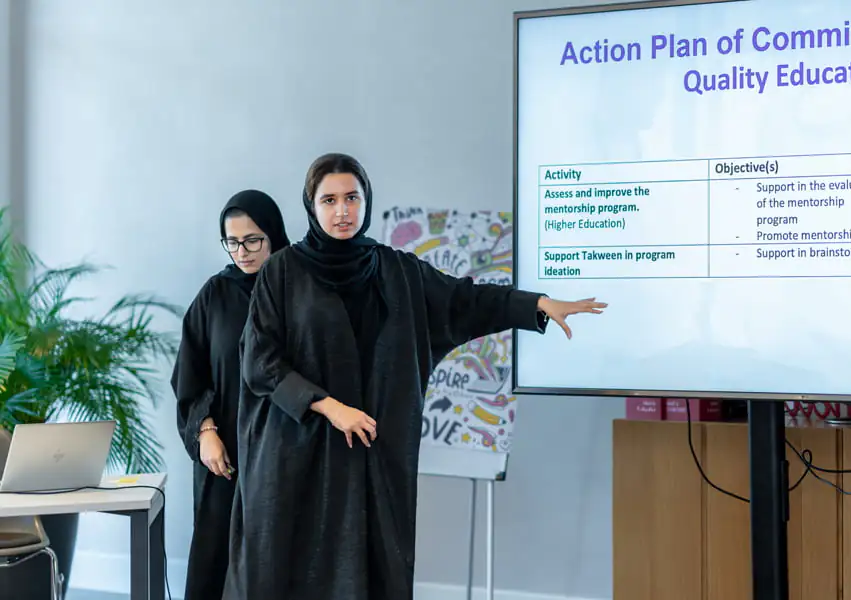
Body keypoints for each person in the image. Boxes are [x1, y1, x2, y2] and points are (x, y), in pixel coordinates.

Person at [222, 153, 605, 600]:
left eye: (352, 197)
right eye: (329, 200)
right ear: (311, 205)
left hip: (371, 453)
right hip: (296, 453)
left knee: (370, 564)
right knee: (289, 567)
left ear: (366, 201)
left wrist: (537, 304)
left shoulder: (397, 270)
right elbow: (259, 361)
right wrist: (330, 407)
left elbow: (465, 301)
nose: (342, 210)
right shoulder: (281, 272)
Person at [172, 189, 290, 600]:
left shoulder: (298, 291)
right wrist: (204, 432)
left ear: (273, 235)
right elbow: (189, 374)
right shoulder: (215, 295)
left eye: (253, 240)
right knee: (214, 562)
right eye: (232, 241)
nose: (243, 251)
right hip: (223, 458)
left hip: (284, 453)